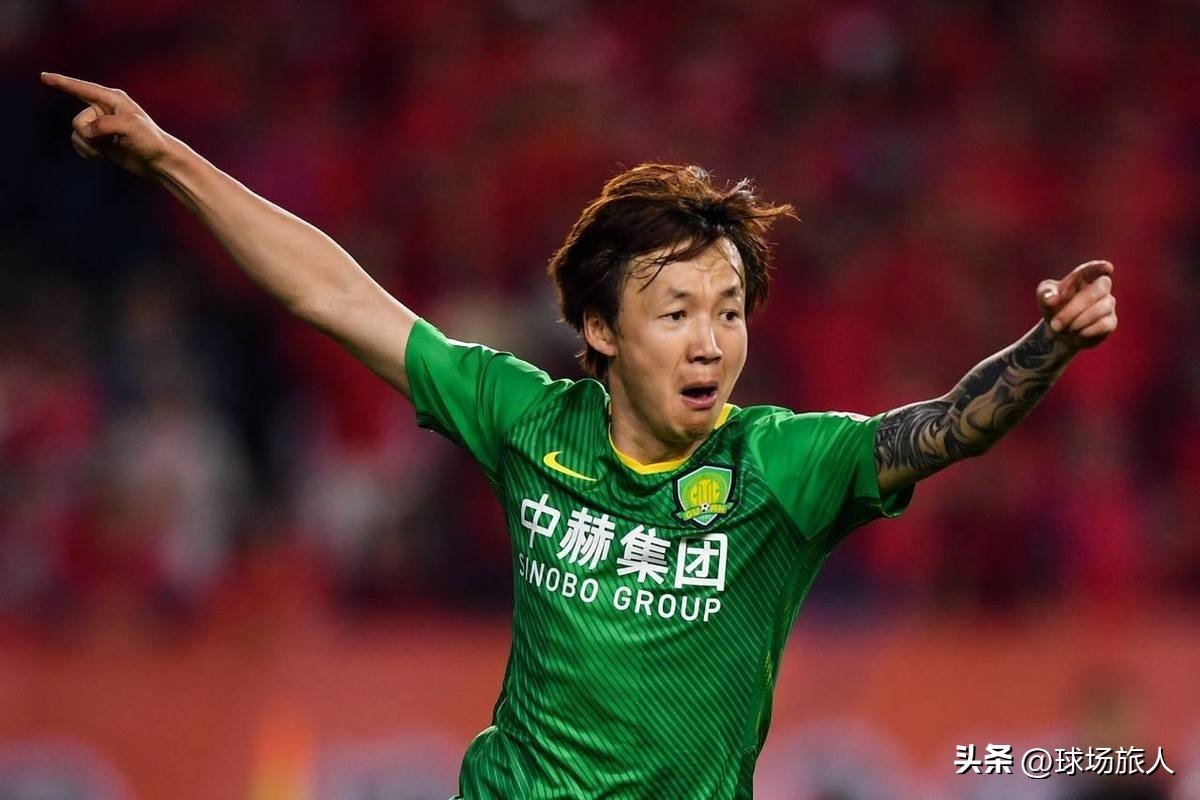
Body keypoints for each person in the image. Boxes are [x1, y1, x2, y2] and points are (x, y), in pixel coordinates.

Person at [42, 72, 1117, 799]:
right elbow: (336, 296)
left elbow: (940, 431)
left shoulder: (780, 466)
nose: (711, 342)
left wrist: (1048, 345)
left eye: (730, 311)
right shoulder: (528, 419)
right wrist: (169, 157)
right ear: (601, 330)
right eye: (677, 311)